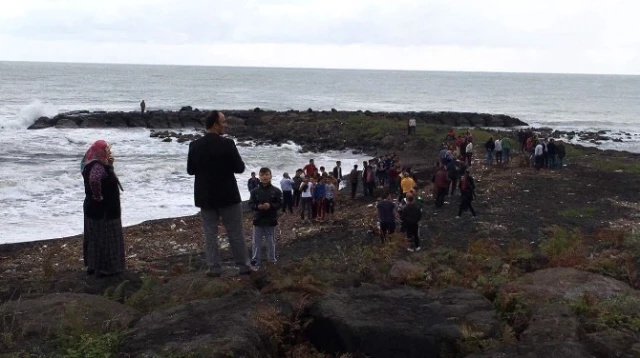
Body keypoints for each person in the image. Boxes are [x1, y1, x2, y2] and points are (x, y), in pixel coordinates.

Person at [187, 110, 251, 277]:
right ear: (215, 125)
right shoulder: (228, 144)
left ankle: (214, 268)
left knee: (210, 234)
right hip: (227, 195)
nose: (226, 124)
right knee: (235, 233)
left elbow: (190, 170)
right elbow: (240, 168)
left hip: (205, 196)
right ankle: (243, 267)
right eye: (223, 121)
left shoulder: (194, 145)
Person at [81, 140, 125, 277]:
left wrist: (110, 165)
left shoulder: (89, 163)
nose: (108, 152)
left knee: (94, 238)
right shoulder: (98, 166)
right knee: (106, 238)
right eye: (106, 150)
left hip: (93, 209)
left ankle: (94, 266)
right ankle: (106, 269)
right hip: (104, 211)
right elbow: (94, 180)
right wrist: (98, 196)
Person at [249, 167, 282, 268]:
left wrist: (271, 206)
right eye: (262, 175)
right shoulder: (254, 191)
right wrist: (256, 207)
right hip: (258, 219)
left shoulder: (276, 191)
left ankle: (272, 261)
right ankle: (255, 261)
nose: (265, 177)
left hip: (270, 219)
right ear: (259, 177)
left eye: (267, 174)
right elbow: (250, 204)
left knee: (270, 241)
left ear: (271, 176)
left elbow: (280, 203)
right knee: (256, 242)